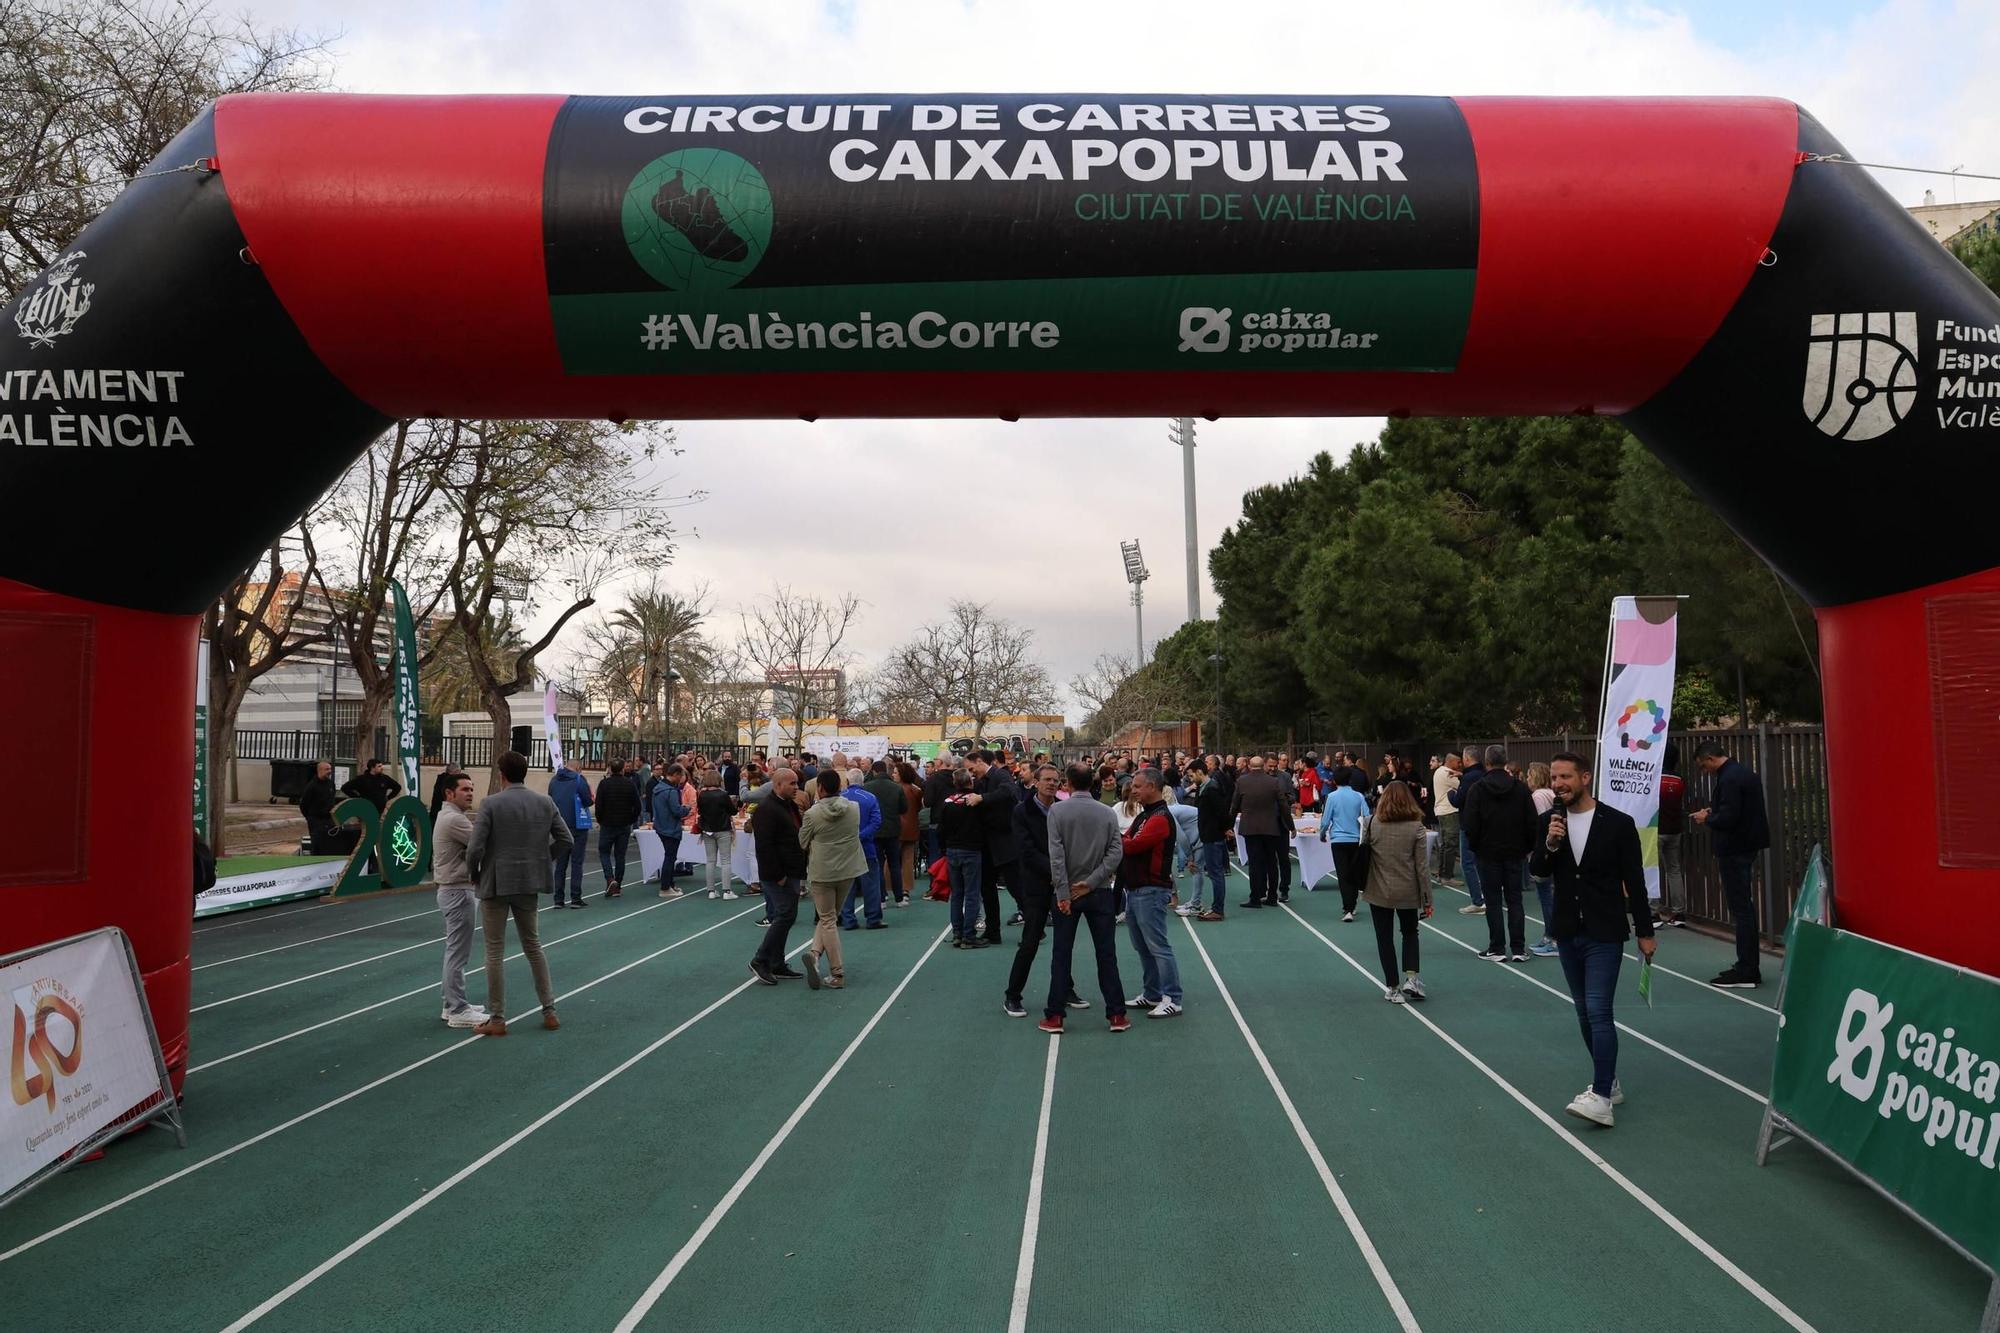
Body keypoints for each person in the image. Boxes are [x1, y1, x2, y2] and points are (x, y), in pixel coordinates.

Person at [1531, 752, 1655, 1126]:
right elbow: (1537, 871)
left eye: (1565, 776)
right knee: (1583, 1010)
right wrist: (1550, 845)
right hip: (1568, 931)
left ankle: (1601, 1096)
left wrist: (1646, 932)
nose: (1558, 784)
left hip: (1605, 930)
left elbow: (1635, 881)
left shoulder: (1618, 824)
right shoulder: (1548, 822)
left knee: (1600, 1009)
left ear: (1585, 777)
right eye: (1554, 777)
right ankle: (1610, 1079)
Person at [464, 750, 565, 1036]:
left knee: (494, 951)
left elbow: (475, 848)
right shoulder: (544, 802)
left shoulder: (491, 804)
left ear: (502, 774)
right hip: (528, 883)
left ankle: (497, 1018)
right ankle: (549, 1010)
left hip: (496, 882)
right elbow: (565, 839)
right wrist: (543, 859)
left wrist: (475, 873)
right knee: (533, 946)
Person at [1042, 763, 1128, 1032]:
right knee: (1106, 954)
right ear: (1093, 782)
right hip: (1100, 892)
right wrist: (1091, 883)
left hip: (1068, 894)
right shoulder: (1106, 812)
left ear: (1067, 782)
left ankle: (1055, 1016)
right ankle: (1116, 1015)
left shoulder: (1056, 810)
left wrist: (1064, 892)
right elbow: (1115, 853)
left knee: (1061, 954)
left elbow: (1056, 856)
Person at [1005, 765, 1084, 1018]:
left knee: (1064, 940)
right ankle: (1012, 996)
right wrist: (1055, 871)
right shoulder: (1022, 811)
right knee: (1030, 940)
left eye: (1056, 780)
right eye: (1047, 780)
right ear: (1035, 782)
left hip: (1061, 886)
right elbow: (1025, 851)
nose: (1052, 784)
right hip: (1036, 887)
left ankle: (1065, 990)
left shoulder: (1063, 809)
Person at [1691, 741, 1770, 988]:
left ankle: (1747, 969)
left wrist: (1708, 817)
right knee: (1743, 907)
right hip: (1745, 846)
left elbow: (1729, 817)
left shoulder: (1729, 778)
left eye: (1704, 766)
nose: (1705, 771)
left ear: (1711, 758)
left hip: (1735, 848)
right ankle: (1746, 965)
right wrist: (1715, 810)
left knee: (1741, 908)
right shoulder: (1742, 774)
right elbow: (1737, 810)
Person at [1118, 769, 1184, 1018]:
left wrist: (1118, 840)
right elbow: (1126, 838)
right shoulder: (1145, 816)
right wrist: (1122, 840)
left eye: (1137, 786)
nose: (1132, 790)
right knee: (1142, 946)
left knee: (1158, 945)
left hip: (1150, 889)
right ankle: (1152, 992)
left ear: (1153, 786)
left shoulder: (1159, 818)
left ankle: (1173, 998)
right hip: (1136, 889)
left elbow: (1132, 845)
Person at [1463, 744, 1537, 961]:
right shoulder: (1521, 789)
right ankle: (1519, 948)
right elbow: (1531, 821)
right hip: (1514, 852)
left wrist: (1476, 846)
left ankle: (1497, 946)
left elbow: (1470, 823)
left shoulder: (1477, 789)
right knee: (1515, 899)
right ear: (1505, 762)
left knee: (1493, 901)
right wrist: (1526, 847)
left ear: (1486, 763)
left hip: (1488, 852)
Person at [430, 773, 490, 1028]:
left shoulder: (452, 817)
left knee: (456, 951)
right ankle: (457, 1009)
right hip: (457, 891)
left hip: (455, 889)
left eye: (471, 789)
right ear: (449, 793)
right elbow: (484, 842)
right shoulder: (454, 819)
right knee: (457, 953)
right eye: (464, 789)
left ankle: (451, 1003)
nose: (470, 793)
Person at [1363, 780, 1432, 1002]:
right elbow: (1422, 866)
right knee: (1410, 932)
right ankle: (1411, 977)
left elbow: (1365, 855)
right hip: (1408, 889)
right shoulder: (1417, 827)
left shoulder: (1371, 822)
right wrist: (1427, 898)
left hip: (1378, 889)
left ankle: (1393, 987)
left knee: (1384, 937)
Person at [798, 768, 866, 988]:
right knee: (830, 917)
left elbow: (802, 842)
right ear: (841, 785)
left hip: (822, 872)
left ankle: (837, 973)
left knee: (827, 920)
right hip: (847, 869)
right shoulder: (854, 808)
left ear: (819, 788)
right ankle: (815, 954)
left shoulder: (812, 814)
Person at [747, 768, 808, 985]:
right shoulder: (766, 809)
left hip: (791, 869)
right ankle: (760, 959)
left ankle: (777, 963)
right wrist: (778, 875)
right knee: (784, 915)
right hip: (778, 873)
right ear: (778, 784)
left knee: (788, 915)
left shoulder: (788, 805)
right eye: (791, 783)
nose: (796, 787)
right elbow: (764, 846)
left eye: (796, 783)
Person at [968, 750, 1021, 939]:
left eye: (972, 768)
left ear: (981, 762)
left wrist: (982, 798)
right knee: (987, 888)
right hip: (988, 843)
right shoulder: (980, 782)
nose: (972, 773)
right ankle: (992, 930)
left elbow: (1009, 792)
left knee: (1016, 887)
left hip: (1006, 842)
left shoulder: (1001, 775)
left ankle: (1035, 929)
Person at [1227, 754, 1290, 910]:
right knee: (1271, 862)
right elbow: (1283, 806)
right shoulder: (1273, 782)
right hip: (1270, 827)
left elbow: (1234, 805)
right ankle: (1272, 896)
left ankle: (1255, 896)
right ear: (1263, 766)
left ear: (1249, 765)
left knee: (1254, 863)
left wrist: (1228, 825)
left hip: (1251, 828)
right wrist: (1290, 826)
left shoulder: (1242, 781)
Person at [939, 768, 989, 948]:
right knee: (972, 894)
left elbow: (941, 828)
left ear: (955, 783)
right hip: (971, 850)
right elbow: (985, 825)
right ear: (971, 782)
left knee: (957, 894)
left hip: (952, 850)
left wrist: (944, 847)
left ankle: (958, 933)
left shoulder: (948, 802)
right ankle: (969, 935)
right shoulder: (976, 801)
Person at [837, 767, 886, 930]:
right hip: (866, 846)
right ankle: (873, 918)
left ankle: (848, 919)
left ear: (848, 781)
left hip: (844, 848)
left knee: (847, 885)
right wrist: (862, 835)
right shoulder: (870, 798)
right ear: (862, 781)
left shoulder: (839, 798)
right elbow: (876, 821)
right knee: (871, 884)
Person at [1186, 760, 1230, 922]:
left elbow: (1222, 812)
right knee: (1214, 872)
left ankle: (1218, 910)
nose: (1191, 779)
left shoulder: (1212, 789)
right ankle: (1216, 908)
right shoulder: (1203, 789)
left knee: (1215, 873)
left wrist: (1225, 828)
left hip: (1213, 836)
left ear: (1199, 772)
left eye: (1191, 775)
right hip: (1208, 835)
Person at [1323, 771, 1370, 922]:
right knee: (1354, 872)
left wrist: (1322, 833)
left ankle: (1347, 908)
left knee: (1343, 875)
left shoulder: (1332, 797)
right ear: (1349, 780)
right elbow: (1367, 815)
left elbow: (1326, 819)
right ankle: (1352, 903)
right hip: (1355, 839)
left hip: (1338, 839)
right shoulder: (1358, 796)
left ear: (1335, 782)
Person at [545, 761, 593, 909]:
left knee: (560, 864)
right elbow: (587, 801)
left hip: (559, 826)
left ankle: (558, 899)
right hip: (577, 825)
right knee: (577, 863)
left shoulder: (553, 780)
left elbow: (550, 799)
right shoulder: (579, 780)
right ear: (578, 768)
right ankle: (575, 898)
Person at [1524, 762, 1560, 955]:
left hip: (1543, 852)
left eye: (1529, 776)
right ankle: (1550, 935)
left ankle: (1552, 937)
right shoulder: (1550, 794)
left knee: (1546, 896)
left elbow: (1537, 824)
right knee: (1548, 895)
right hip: (1550, 851)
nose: (1527, 779)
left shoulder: (1538, 796)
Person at [1446, 746, 1486, 913]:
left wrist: (1450, 793)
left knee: (1467, 863)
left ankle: (1478, 900)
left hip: (1469, 825)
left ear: (1467, 759)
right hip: (1485, 824)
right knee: (1482, 861)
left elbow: (1457, 800)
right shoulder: (1483, 774)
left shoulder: (1469, 779)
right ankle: (1488, 895)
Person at [863, 760, 908, 906]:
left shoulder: (867, 787)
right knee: (895, 864)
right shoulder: (896, 788)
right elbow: (903, 808)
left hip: (874, 831)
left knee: (878, 865)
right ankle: (899, 898)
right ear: (886, 771)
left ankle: (881, 898)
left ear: (874, 771)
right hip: (893, 830)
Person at [593, 758, 640, 898]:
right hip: (623, 824)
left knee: (604, 852)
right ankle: (617, 884)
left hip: (608, 824)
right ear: (622, 769)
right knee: (620, 855)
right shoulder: (629, 784)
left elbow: (598, 805)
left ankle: (609, 878)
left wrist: (600, 820)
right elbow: (637, 806)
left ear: (610, 769)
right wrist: (631, 819)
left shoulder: (604, 784)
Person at [1655, 744, 1689, 928]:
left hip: (1655, 830)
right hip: (1675, 829)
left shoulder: (1652, 778)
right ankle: (1679, 912)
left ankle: (1653, 913)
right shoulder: (1679, 779)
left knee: (1652, 869)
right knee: (1674, 870)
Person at [647, 763, 690, 898]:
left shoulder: (658, 788)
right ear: (676, 775)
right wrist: (686, 809)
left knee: (669, 856)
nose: (682, 778)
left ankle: (670, 884)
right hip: (671, 828)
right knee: (670, 858)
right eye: (681, 775)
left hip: (660, 826)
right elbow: (676, 811)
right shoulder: (671, 791)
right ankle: (665, 887)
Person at [695, 768, 738, 900]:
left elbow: (700, 811)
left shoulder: (701, 795)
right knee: (725, 860)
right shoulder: (723, 794)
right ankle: (727, 890)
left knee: (710, 860)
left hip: (707, 830)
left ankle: (711, 891)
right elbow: (732, 811)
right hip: (723, 829)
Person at [896, 761, 925, 905]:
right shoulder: (916, 790)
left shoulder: (895, 789)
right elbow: (919, 807)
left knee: (891, 859)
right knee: (908, 860)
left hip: (896, 828)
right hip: (912, 828)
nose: (893, 775)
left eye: (896, 772)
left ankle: (888, 888)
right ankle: (905, 889)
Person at [299, 759, 341, 853]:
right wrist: (310, 817)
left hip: (329, 819)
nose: (329, 771)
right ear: (320, 770)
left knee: (330, 842)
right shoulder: (312, 786)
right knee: (317, 844)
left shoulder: (330, 784)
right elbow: (303, 804)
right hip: (316, 820)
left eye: (330, 769)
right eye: (327, 769)